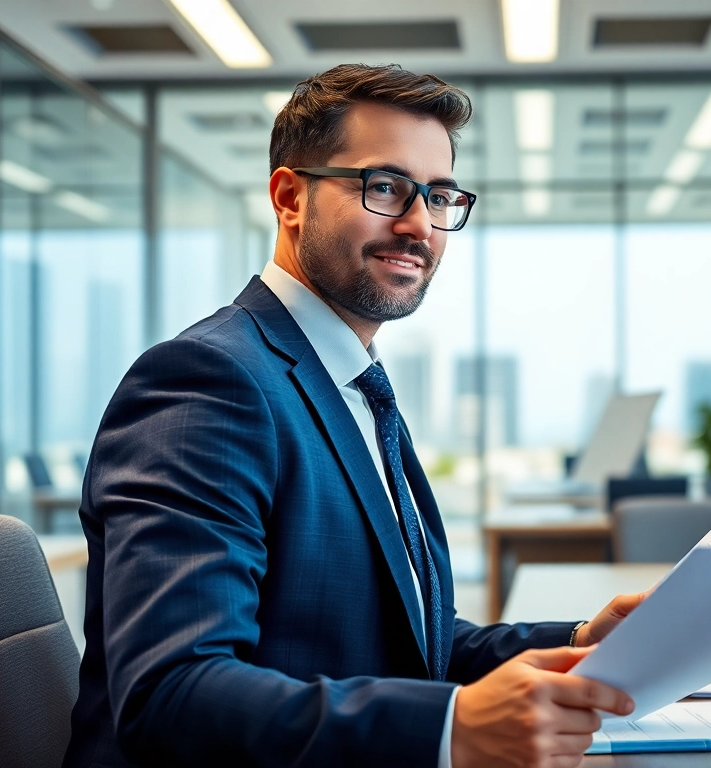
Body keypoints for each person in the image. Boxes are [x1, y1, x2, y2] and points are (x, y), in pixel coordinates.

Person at [63, 64, 646, 768]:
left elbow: (398, 640)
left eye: (438, 197)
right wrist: (450, 729)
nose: (417, 225)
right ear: (289, 198)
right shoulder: (208, 382)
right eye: (385, 187)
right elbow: (172, 695)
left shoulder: (349, 383)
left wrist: (581, 643)